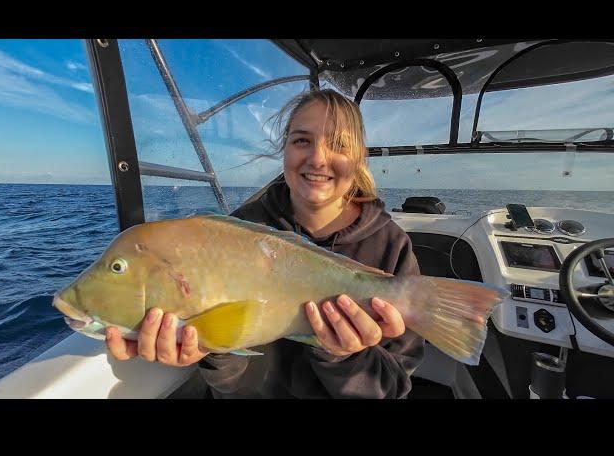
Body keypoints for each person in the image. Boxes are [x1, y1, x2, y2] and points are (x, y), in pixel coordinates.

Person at [106, 89, 425, 398]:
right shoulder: (240, 230)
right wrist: (208, 345)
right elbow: (234, 384)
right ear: (284, 148)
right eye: (302, 140)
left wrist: (346, 358)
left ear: (359, 158)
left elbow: (393, 387)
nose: (317, 158)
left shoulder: (391, 245)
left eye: (339, 145)